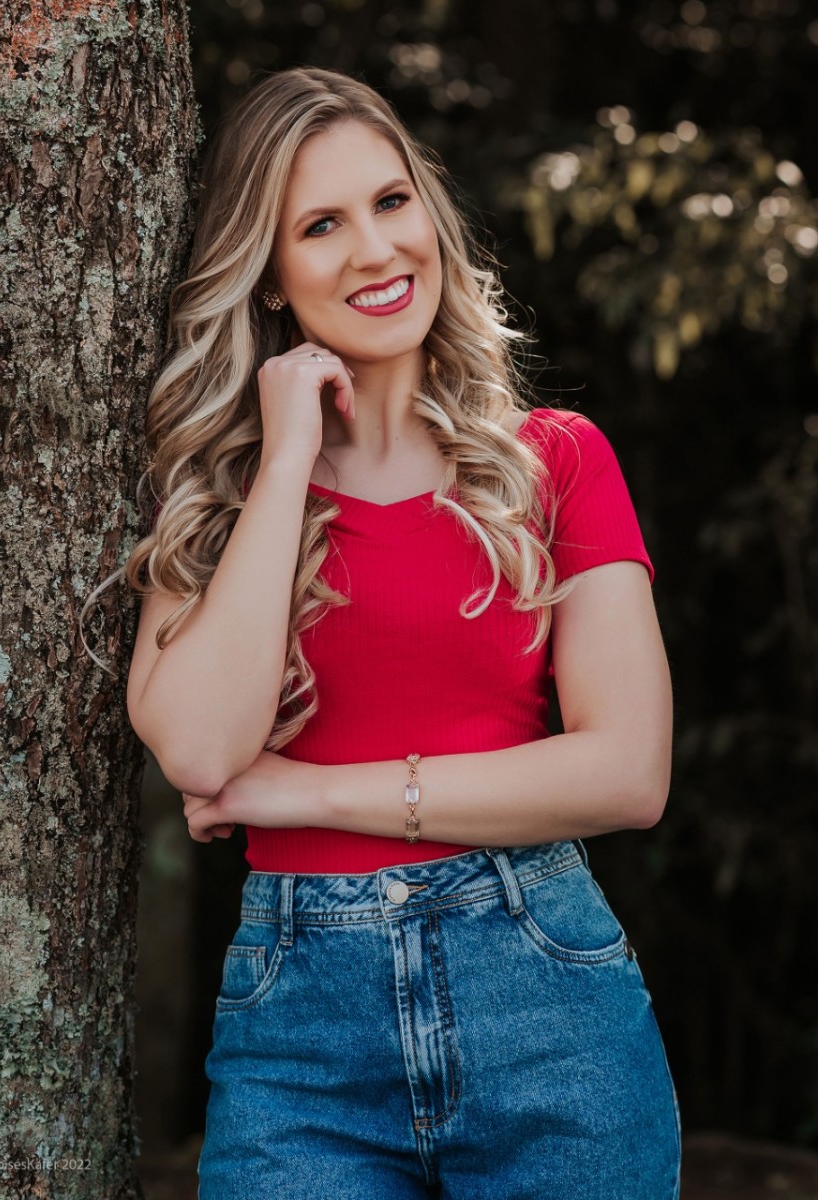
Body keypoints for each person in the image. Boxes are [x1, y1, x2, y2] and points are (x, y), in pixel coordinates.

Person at [118, 66, 680, 1200]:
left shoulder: (554, 462)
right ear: (269, 275)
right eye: (320, 225)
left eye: (390, 201)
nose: (375, 251)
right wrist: (285, 457)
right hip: (299, 1051)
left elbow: (627, 773)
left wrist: (305, 794)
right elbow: (200, 751)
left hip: (548, 1008)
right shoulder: (218, 496)